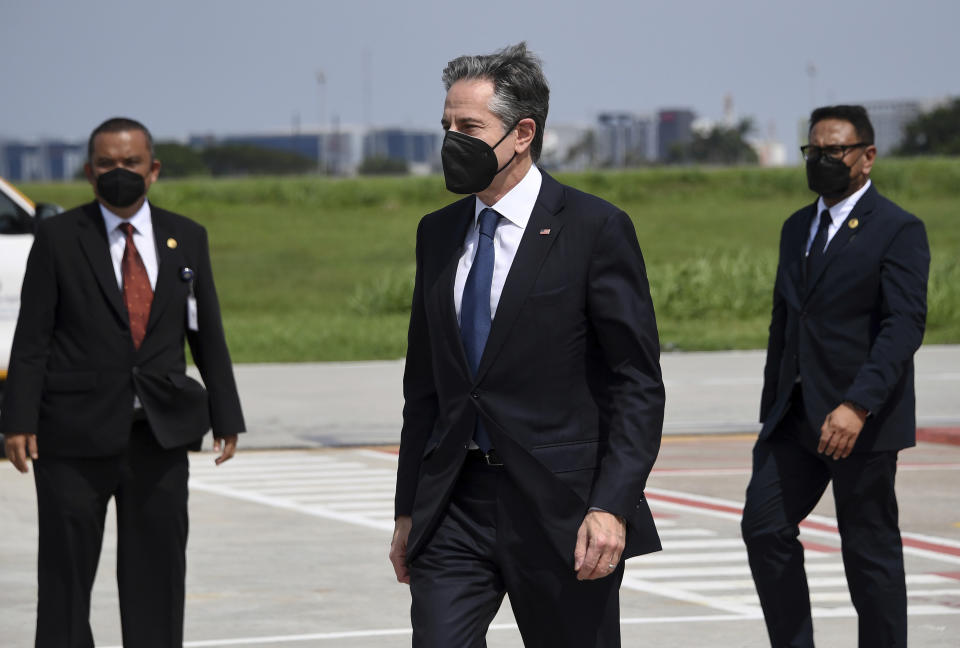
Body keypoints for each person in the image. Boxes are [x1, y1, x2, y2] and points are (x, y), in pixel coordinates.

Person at [389, 43, 665, 647]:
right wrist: (408, 508)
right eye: (446, 127)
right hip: (455, 505)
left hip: (561, 509)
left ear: (522, 133)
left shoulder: (594, 228)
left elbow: (636, 383)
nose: (451, 141)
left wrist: (612, 504)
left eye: (469, 127)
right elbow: (426, 386)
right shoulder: (437, 233)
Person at [1, 117, 245, 648]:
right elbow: (32, 336)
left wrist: (226, 414)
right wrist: (17, 419)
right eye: (107, 164)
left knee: (157, 578)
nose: (120, 173)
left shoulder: (187, 239)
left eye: (130, 163)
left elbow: (207, 334)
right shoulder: (59, 238)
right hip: (72, 437)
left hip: (156, 437)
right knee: (65, 580)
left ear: (152, 169)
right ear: (89, 173)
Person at [741, 105, 929, 648]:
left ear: (866, 157)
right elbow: (786, 322)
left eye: (835, 151)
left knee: (869, 555)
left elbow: (903, 326)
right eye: (813, 151)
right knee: (763, 528)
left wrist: (859, 404)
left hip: (859, 421)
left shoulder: (897, 229)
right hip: (795, 418)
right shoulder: (796, 226)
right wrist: (771, 409)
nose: (822, 160)